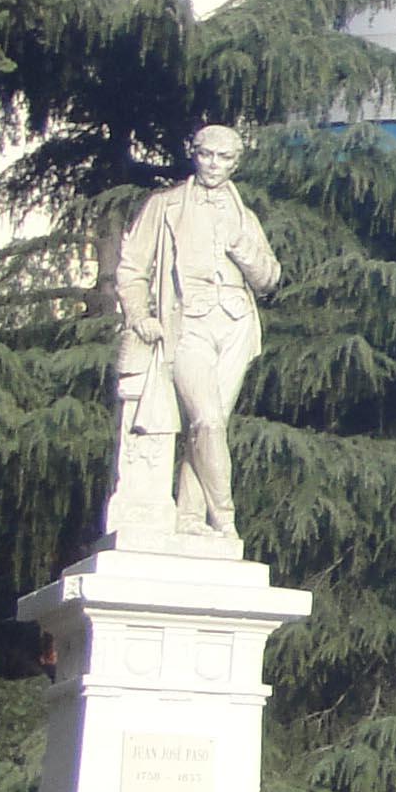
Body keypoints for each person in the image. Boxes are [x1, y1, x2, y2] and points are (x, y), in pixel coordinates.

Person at [110, 122, 283, 551]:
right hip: (186, 322)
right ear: (194, 153)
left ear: (236, 163)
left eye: (225, 158)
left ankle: (190, 516)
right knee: (206, 419)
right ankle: (226, 521)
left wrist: (242, 246)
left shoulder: (245, 217)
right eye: (207, 154)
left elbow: (269, 278)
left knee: (211, 427)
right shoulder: (165, 205)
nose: (214, 164)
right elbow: (131, 270)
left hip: (237, 323)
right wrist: (139, 314)